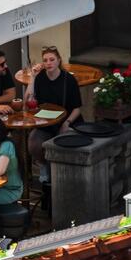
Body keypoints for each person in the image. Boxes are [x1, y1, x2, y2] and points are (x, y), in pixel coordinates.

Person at [26, 46, 82, 184]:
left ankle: (61, 177)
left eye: (52, 59)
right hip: (46, 123)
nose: (48, 63)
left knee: (61, 145)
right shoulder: (40, 78)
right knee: (33, 143)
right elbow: (28, 100)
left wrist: (66, 123)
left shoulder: (68, 80)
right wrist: (32, 77)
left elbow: (77, 109)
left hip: (68, 121)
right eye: (45, 60)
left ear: (58, 61)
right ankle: (44, 166)